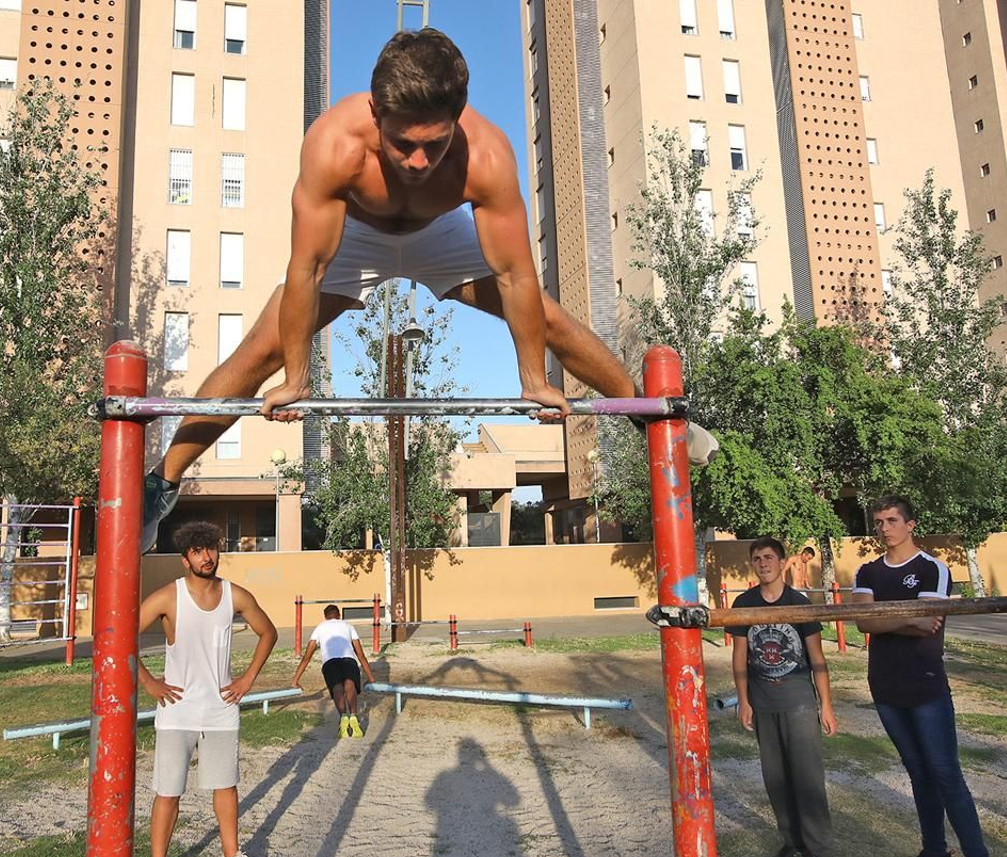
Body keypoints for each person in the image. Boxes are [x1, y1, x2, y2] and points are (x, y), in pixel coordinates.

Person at [138, 27, 718, 551]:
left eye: (434, 145)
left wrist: (533, 381)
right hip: (355, 235)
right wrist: (295, 376)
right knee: (259, 353)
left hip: (442, 234)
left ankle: (656, 423)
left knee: (551, 321)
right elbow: (307, 270)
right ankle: (159, 487)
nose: (417, 162)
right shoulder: (333, 145)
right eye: (402, 145)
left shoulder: (485, 157)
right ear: (375, 112)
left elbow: (517, 276)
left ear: (457, 119)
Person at [849, 495, 1007, 857]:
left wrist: (891, 619)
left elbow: (930, 620)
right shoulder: (867, 571)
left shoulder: (932, 568)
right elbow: (864, 622)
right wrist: (905, 620)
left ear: (910, 524)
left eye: (891, 520)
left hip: (925, 686)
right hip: (885, 686)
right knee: (918, 773)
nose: (884, 528)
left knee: (947, 777)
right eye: (879, 521)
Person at [133, 521, 279, 857]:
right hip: (176, 711)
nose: (206, 556)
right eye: (197, 551)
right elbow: (120, 637)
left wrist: (248, 678)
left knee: (225, 786)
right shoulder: (168, 596)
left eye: (211, 549)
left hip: (220, 710)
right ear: (185, 559)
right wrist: (148, 683)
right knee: (168, 792)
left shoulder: (234, 595)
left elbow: (269, 632)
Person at [725, 537, 849, 857]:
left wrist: (826, 704)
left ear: (782, 563)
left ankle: (823, 852)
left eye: (769, 557)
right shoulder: (743, 603)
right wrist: (743, 700)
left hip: (798, 700)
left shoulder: (798, 602)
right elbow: (739, 656)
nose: (763, 563)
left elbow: (816, 657)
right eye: (757, 558)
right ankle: (794, 844)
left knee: (807, 776)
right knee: (775, 778)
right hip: (763, 701)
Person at [292, 603, 376, 738]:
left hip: (330, 663)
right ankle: (354, 717)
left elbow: (306, 657)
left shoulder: (319, 628)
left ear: (325, 617)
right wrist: (371, 679)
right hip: (349, 660)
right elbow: (361, 655)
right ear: (339, 615)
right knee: (350, 685)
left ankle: (343, 718)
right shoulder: (348, 626)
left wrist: (295, 680)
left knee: (337, 688)